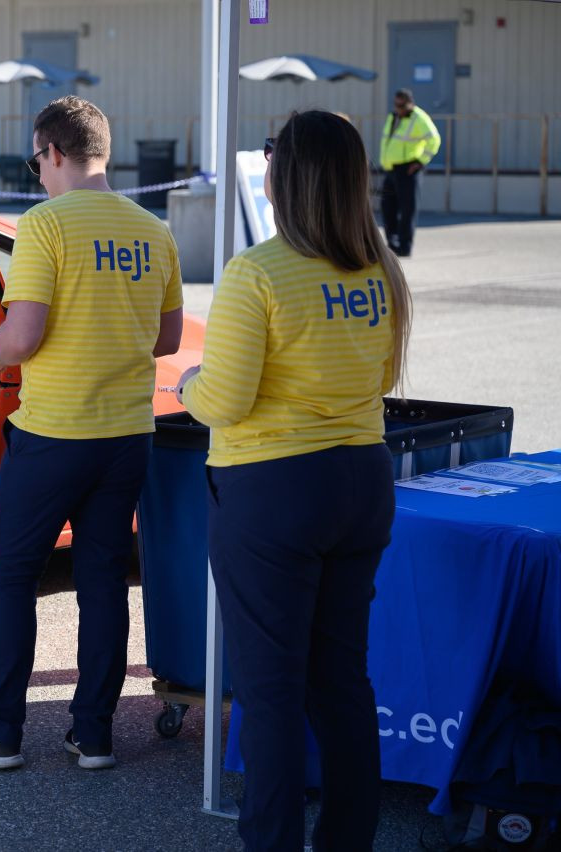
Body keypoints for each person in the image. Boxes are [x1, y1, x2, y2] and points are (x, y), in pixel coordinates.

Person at [176, 110, 412, 850]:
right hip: (361, 481)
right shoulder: (381, 269)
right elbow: (378, 380)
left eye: (273, 154)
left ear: (288, 175)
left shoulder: (259, 271)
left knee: (271, 692)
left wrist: (187, 383)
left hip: (272, 491)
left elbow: (225, 400)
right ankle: (347, 838)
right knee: (342, 680)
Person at [0, 96, 183, 770]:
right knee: (102, 580)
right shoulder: (152, 230)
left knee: (11, 577)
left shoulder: (45, 226)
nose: (36, 174)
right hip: (128, 432)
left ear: (53, 151)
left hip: (53, 434)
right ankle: (93, 733)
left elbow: (23, 337)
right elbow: (169, 335)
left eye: (35, 160)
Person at [379, 88, 440, 257]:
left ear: (410, 103)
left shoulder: (418, 118)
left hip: (407, 169)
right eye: (396, 104)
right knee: (387, 208)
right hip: (390, 169)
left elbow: (434, 139)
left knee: (407, 209)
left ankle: (404, 247)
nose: (398, 108)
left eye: (402, 105)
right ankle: (392, 244)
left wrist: (420, 162)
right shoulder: (392, 117)